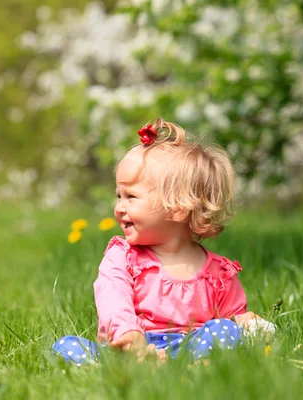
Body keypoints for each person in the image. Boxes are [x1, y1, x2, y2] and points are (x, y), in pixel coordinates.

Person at [52, 118, 275, 366]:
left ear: (178, 207)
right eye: (118, 196)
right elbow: (112, 298)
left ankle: (195, 366)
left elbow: (232, 321)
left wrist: (247, 323)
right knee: (65, 346)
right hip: (136, 347)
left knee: (224, 331)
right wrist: (129, 335)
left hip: (191, 347)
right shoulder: (124, 258)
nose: (118, 208)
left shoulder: (219, 274)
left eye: (131, 197)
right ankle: (138, 366)